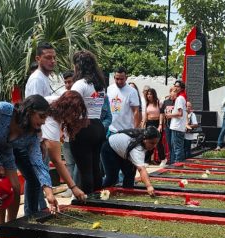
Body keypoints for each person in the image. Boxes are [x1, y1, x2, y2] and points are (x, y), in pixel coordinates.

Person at [0, 94, 86, 221]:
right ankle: (0, 226)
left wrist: (49, 193)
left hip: (5, 152)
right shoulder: (3, 110)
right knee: (2, 188)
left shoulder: (32, 135)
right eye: (41, 116)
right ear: (29, 111)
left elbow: (38, 163)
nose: (44, 121)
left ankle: (11, 225)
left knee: (15, 188)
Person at [25, 42, 85, 204]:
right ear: (38, 59)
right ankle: (35, 212)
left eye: (54, 58)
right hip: (39, 134)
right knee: (37, 176)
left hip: (42, 132)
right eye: (47, 58)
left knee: (40, 174)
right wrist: (39, 137)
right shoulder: (37, 79)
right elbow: (33, 109)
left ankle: (41, 207)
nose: (52, 61)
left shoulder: (46, 79)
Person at [70, 50, 108, 194]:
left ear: (78, 66)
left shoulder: (80, 84)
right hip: (97, 126)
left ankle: (89, 201)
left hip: (83, 126)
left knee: (84, 169)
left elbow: (70, 106)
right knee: (95, 167)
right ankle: (98, 197)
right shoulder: (99, 85)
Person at [101, 126, 158, 195]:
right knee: (112, 177)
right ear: (144, 140)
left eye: (156, 143)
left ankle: (127, 193)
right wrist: (149, 186)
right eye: (152, 143)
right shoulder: (137, 149)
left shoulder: (143, 139)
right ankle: (101, 194)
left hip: (125, 150)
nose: (154, 146)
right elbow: (141, 169)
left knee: (130, 174)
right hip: (110, 148)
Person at [107, 67, 140, 133]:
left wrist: (135, 129)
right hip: (110, 129)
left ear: (126, 78)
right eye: (117, 79)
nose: (119, 81)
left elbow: (136, 111)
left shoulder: (132, 91)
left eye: (122, 79)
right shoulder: (110, 88)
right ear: (114, 77)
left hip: (126, 130)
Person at [165, 80, 186, 165]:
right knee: (177, 147)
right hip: (178, 126)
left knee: (177, 148)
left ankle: (178, 165)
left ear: (181, 88)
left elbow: (180, 113)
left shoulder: (180, 98)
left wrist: (170, 115)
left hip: (177, 126)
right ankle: (177, 164)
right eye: (175, 85)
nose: (175, 87)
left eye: (177, 86)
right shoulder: (181, 97)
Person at [142, 87, 165, 163]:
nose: (149, 95)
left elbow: (161, 114)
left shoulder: (158, 102)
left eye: (150, 94)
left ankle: (163, 159)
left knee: (158, 142)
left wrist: (160, 124)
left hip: (157, 122)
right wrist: (143, 125)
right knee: (148, 142)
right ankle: (146, 160)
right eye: (148, 94)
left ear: (153, 95)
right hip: (149, 123)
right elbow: (145, 115)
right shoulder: (147, 103)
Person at [160, 86, 175, 164]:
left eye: (175, 91)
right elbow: (162, 112)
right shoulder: (166, 102)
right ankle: (171, 159)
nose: (174, 93)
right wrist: (161, 124)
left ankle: (173, 160)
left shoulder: (177, 101)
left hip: (176, 126)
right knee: (169, 143)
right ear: (170, 92)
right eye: (172, 91)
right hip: (168, 125)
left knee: (174, 143)